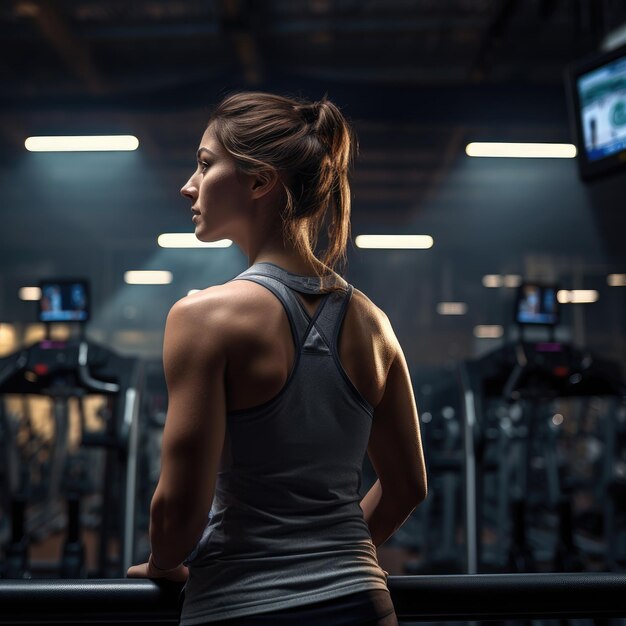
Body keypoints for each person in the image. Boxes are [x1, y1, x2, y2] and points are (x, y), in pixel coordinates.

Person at [127, 91, 427, 626]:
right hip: (363, 603)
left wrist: (163, 562)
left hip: (241, 607)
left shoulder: (203, 317)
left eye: (204, 164)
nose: (188, 185)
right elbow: (407, 487)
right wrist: (334, 559)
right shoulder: (374, 323)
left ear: (260, 182)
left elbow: (179, 510)